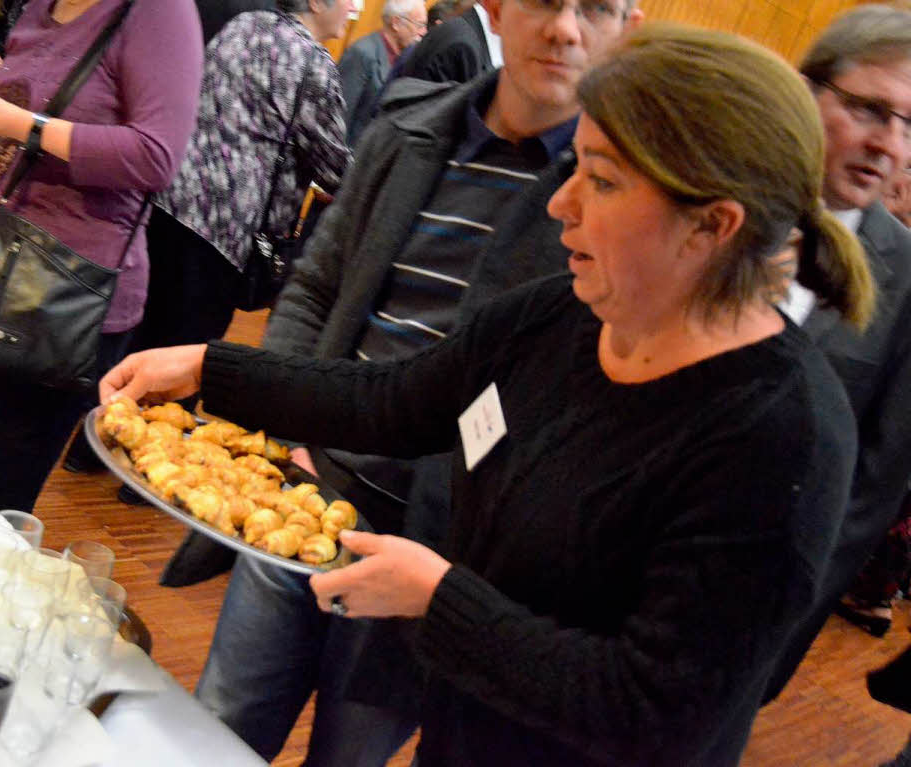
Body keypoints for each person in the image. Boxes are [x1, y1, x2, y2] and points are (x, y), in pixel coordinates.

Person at [102, 24, 873, 764]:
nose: (559, 203)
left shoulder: (780, 435)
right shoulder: (562, 316)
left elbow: (651, 710)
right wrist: (213, 369)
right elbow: (393, 401)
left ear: (712, 227)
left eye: (600, 180)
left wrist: (438, 598)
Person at [157, 0, 640, 763]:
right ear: (503, 10)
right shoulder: (414, 127)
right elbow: (316, 285)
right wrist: (288, 441)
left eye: (597, 8)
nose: (566, 29)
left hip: (441, 550)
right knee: (216, 728)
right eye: (547, 1)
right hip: (310, 488)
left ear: (628, 26)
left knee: (349, 754)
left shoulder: (617, 200)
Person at [0, 0, 203, 512]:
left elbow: (156, 157)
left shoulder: (156, 11)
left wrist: (21, 123)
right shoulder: (37, 9)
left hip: (61, 297)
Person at [61, 0, 352, 481]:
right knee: (184, 356)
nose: (354, 8)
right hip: (226, 225)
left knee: (144, 339)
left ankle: (91, 449)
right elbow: (336, 167)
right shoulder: (312, 62)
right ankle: (152, 478)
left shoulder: (243, 25)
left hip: (168, 201)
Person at [764, 2, 911, 697]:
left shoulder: (907, 280)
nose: (891, 145)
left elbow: (870, 489)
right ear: (806, 90)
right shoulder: (711, 201)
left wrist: (779, 608)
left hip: (749, 607)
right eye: (871, 110)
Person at [337, 0, 426, 146]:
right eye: (419, 25)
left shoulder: (407, 59)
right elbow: (340, 117)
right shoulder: (362, 53)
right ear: (396, 23)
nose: (423, 32)